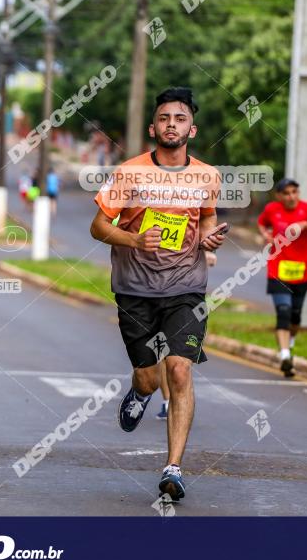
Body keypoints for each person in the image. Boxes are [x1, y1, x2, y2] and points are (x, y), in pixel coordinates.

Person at [89, 87, 227, 501]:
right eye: (165, 118)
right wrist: (134, 240)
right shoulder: (130, 173)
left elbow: (206, 220)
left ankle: (173, 468)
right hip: (135, 289)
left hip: (186, 286)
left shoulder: (207, 176)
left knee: (180, 369)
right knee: (150, 376)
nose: (172, 124)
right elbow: (98, 227)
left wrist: (209, 240)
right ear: (153, 127)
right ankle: (140, 390)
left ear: (192, 129)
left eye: (180, 118)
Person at [257, 177, 307, 377]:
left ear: (298, 193)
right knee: (284, 311)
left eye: (294, 192)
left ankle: (289, 343)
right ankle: (285, 356)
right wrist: (265, 234)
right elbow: (261, 223)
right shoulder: (272, 209)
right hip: (277, 271)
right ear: (279, 196)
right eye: (286, 193)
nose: (291, 197)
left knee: (295, 318)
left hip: (301, 273)